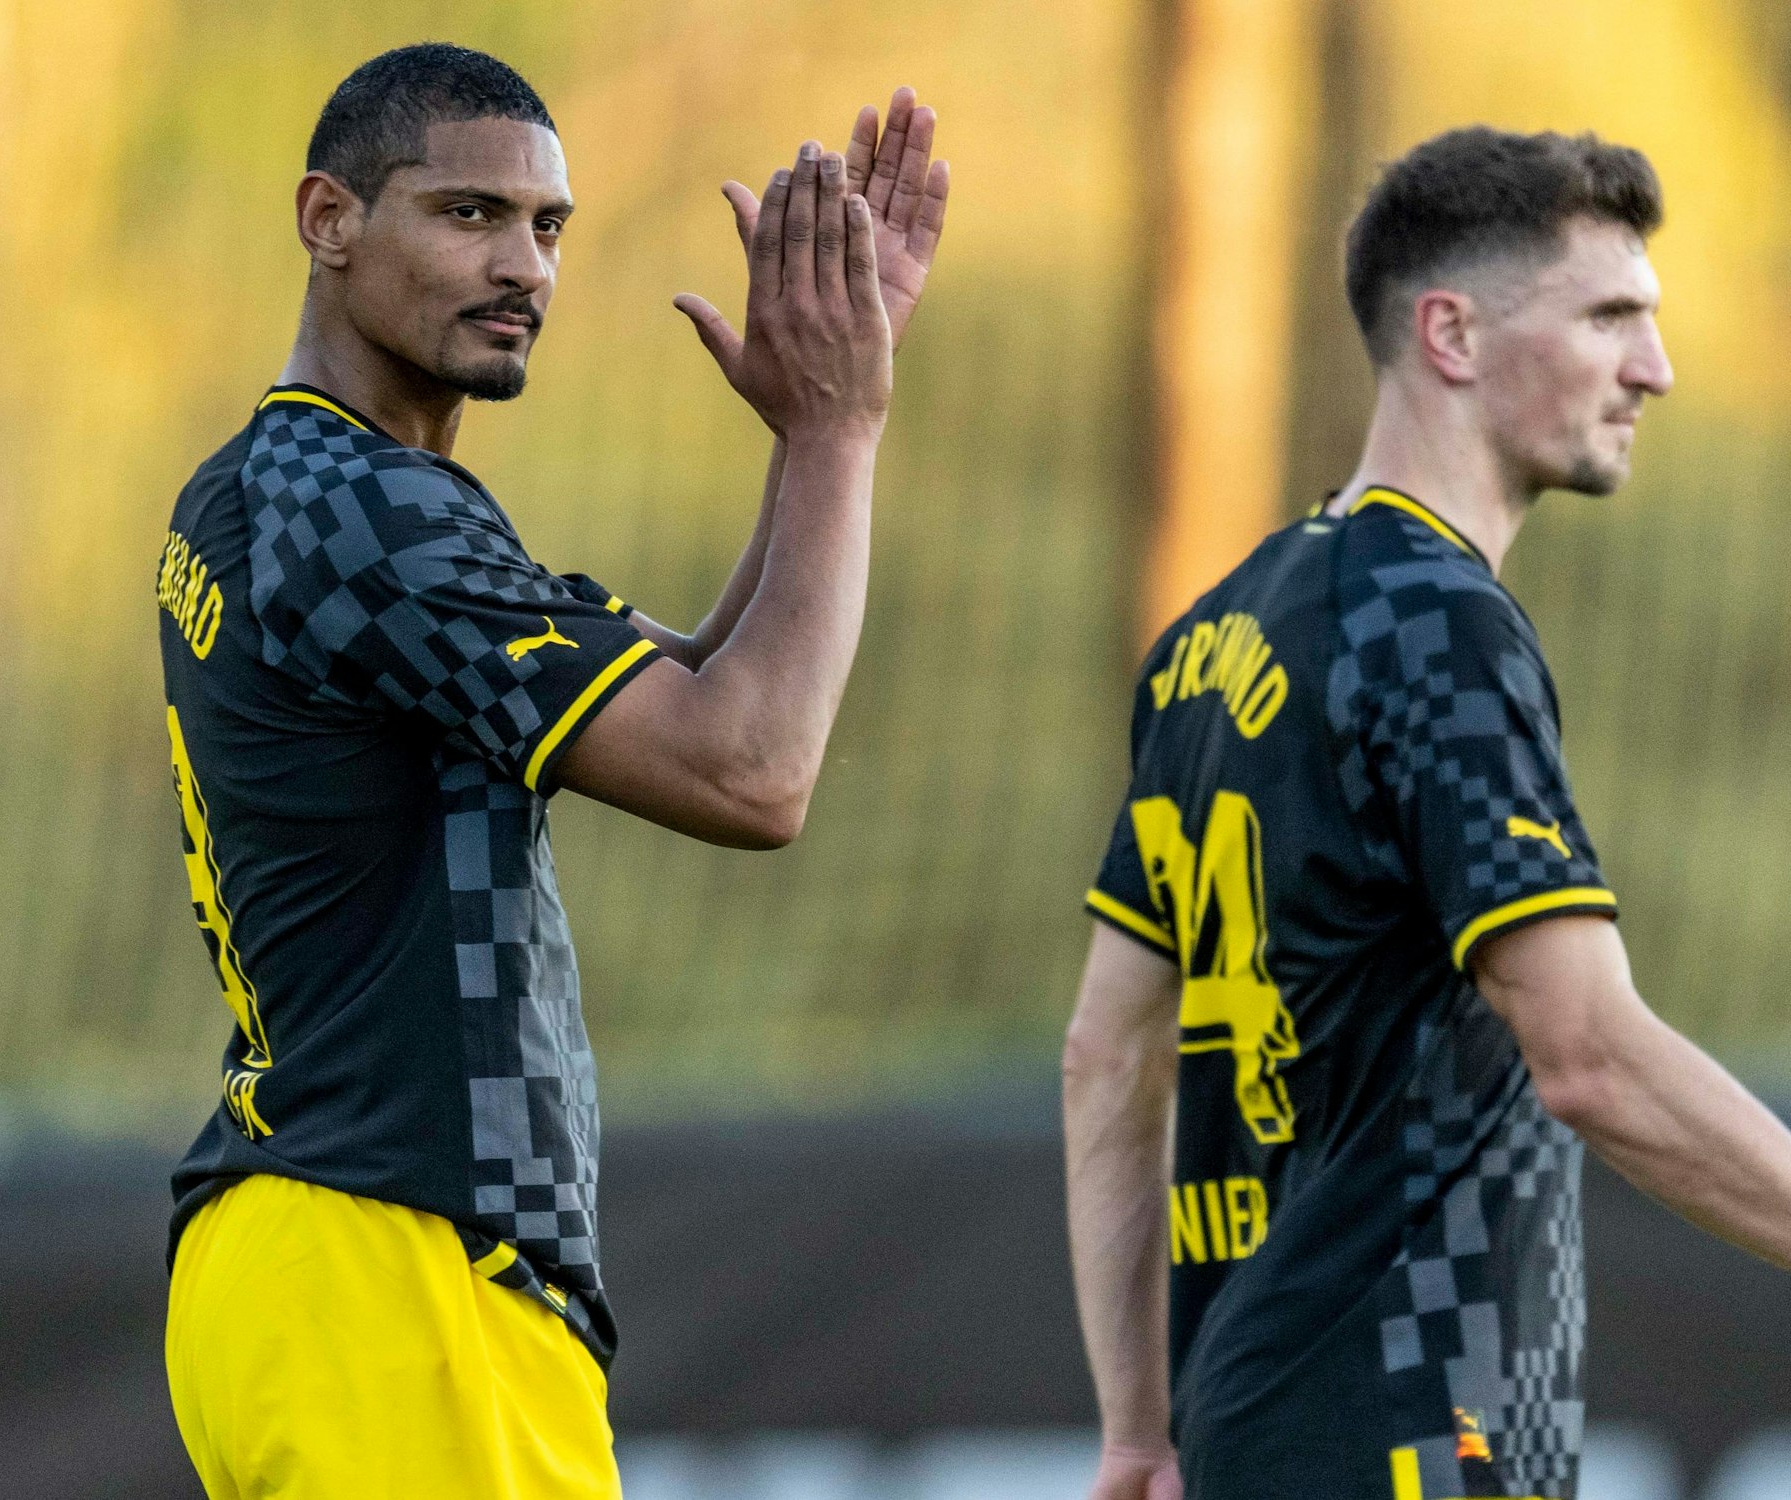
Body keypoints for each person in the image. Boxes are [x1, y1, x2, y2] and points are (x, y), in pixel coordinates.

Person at [155, 43, 947, 1499]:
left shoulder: (285, 489)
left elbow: (703, 686)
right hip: (391, 1267)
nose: (522, 264)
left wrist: (810, 435)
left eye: (548, 227)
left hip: (314, 1257)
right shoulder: (371, 518)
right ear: (329, 219)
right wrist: (842, 430)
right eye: (467, 215)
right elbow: (753, 769)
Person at [1064, 126, 1791, 1500]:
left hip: (1251, 1425)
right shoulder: (1440, 623)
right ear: (1450, 332)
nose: (1657, 367)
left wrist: (1137, 1430)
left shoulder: (1220, 631)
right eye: (1611, 317)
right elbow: (1587, 1054)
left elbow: (1107, 1053)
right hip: (1404, 1430)